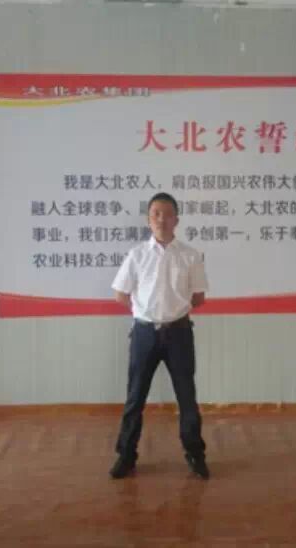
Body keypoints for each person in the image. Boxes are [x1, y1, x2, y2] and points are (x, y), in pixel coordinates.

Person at [109, 192, 209, 479]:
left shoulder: (190, 255)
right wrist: (145, 312)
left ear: (177, 219)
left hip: (179, 334)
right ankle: (126, 455)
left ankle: (195, 454)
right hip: (144, 334)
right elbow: (120, 294)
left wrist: (172, 311)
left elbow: (198, 297)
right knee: (135, 397)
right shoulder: (137, 255)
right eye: (156, 214)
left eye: (167, 214)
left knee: (187, 397)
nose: (161, 219)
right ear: (148, 220)